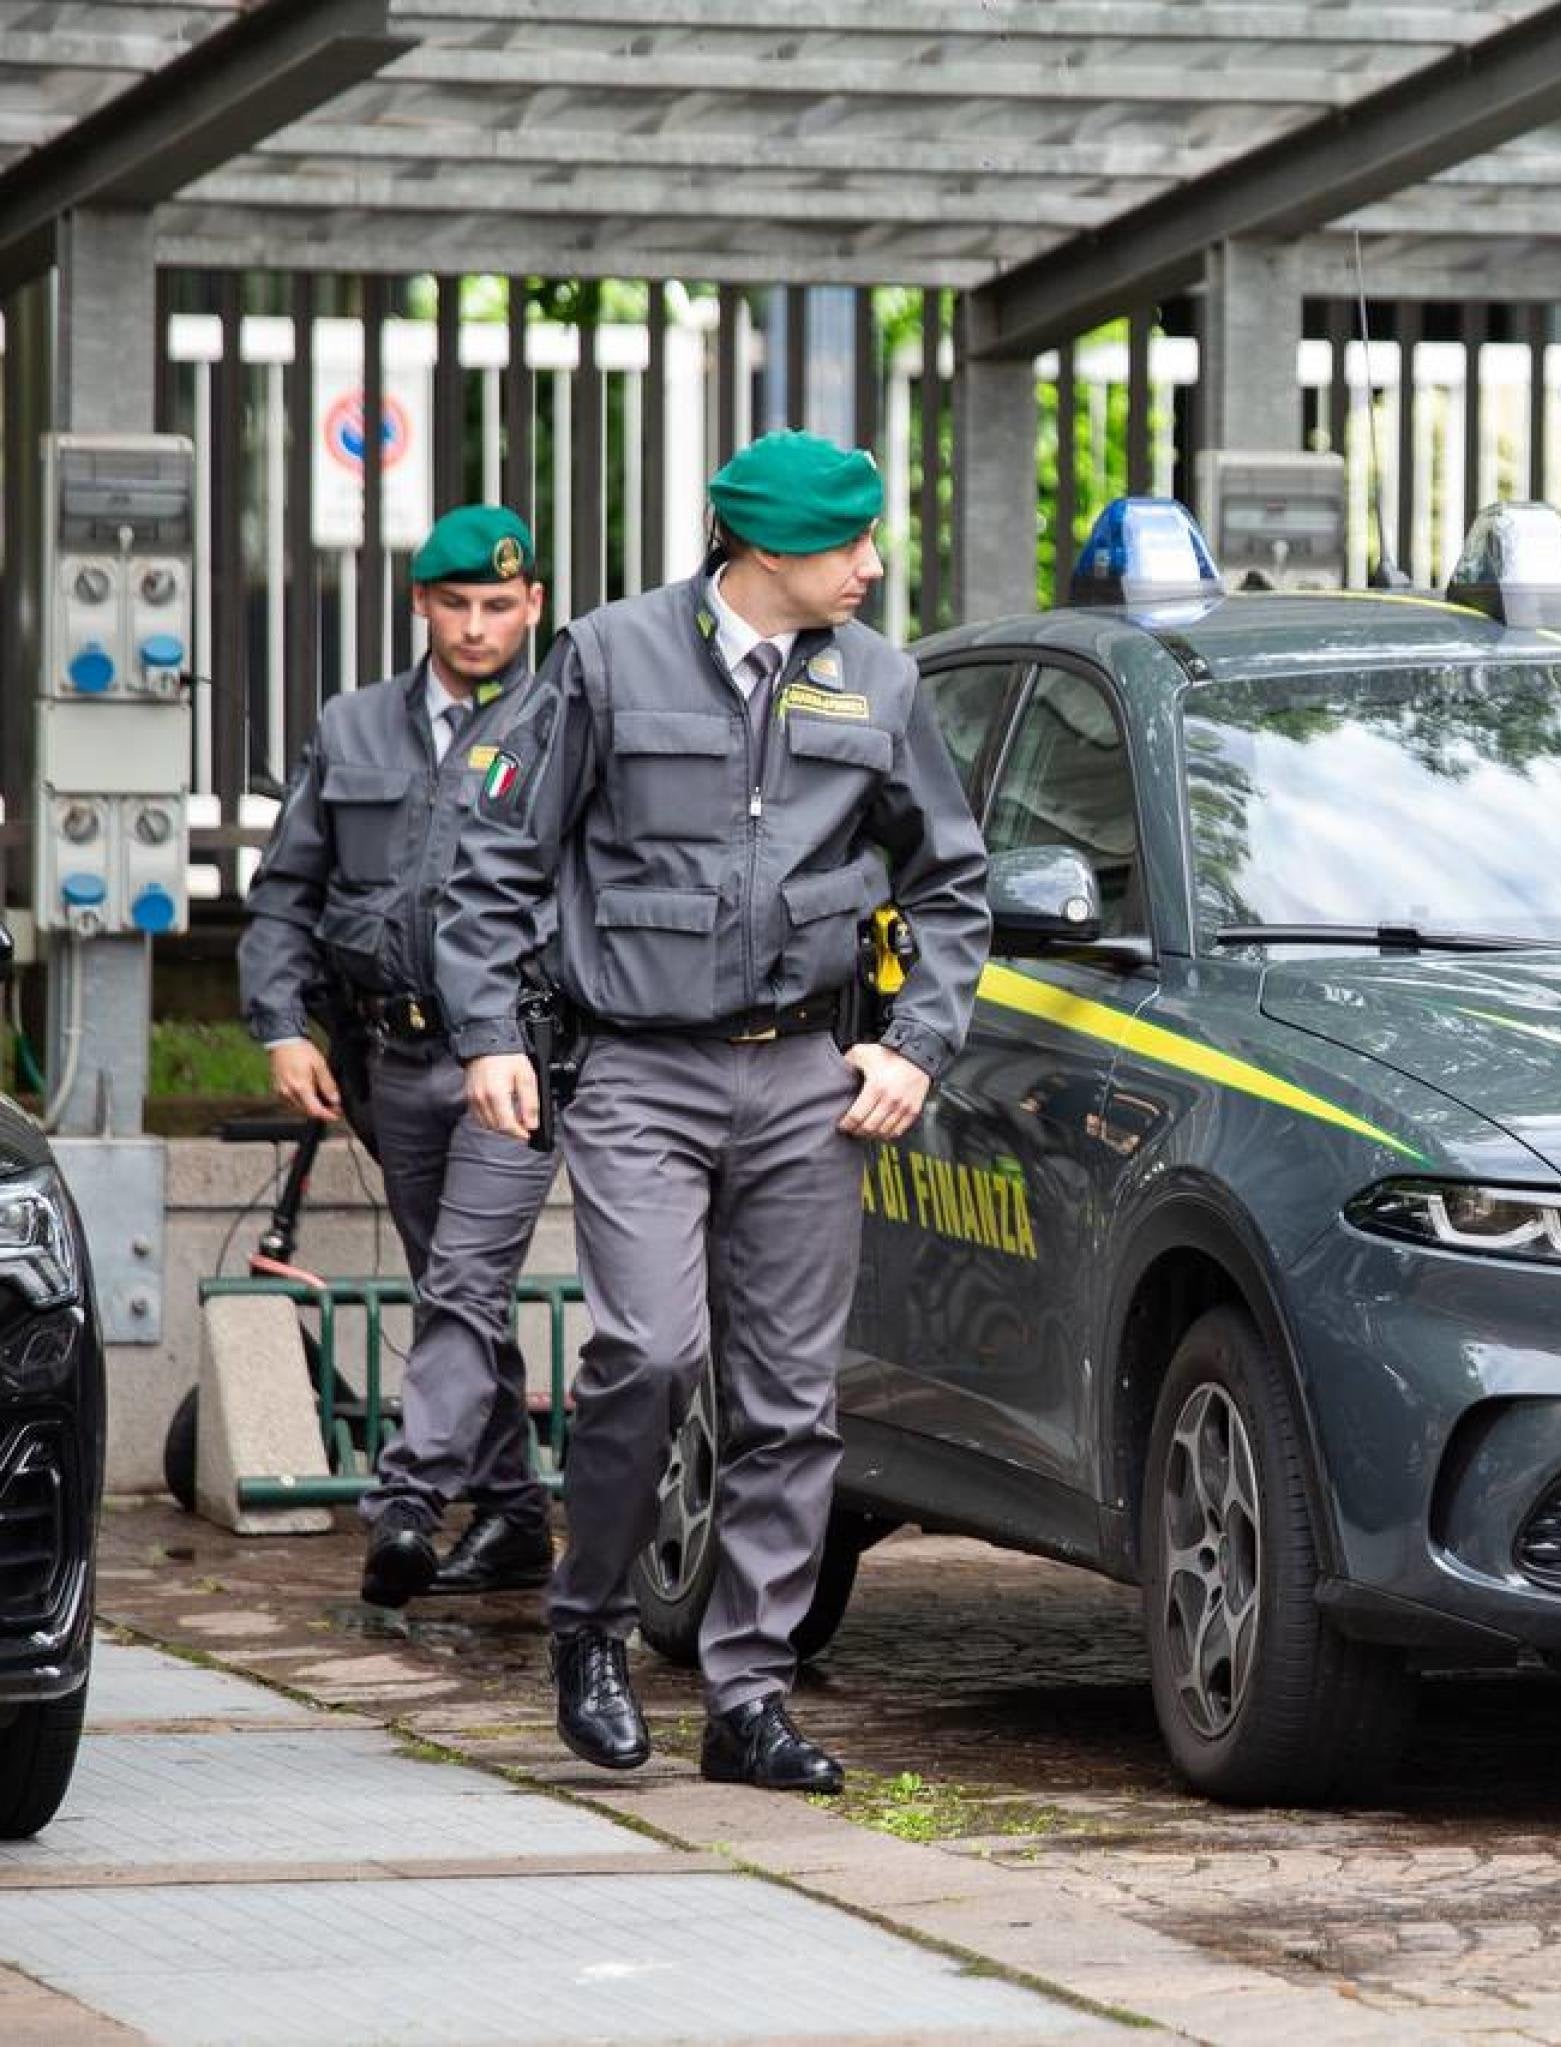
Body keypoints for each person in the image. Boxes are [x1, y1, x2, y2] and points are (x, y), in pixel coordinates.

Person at [440, 432, 988, 1793]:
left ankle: (749, 1693)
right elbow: (497, 862)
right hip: (638, 1070)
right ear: (762, 552)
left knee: (793, 1400)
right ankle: (592, 1627)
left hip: (807, 1078)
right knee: (647, 1351)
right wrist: (489, 1036)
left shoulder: (884, 679)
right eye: (846, 543)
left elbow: (951, 884)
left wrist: (913, 1040)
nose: (872, 564)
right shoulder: (611, 657)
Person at [239, 505, 560, 1607]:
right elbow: (288, 891)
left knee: (465, 1283)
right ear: (420, 605)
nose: (478, 628)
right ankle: (515, 1512)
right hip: (390, 1058)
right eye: (457, 604)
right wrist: (281, 1023)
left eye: (499, 606)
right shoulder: (354, 726)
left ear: (533, 607)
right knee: (454, 1291)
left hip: (517, 1060)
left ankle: (410, 1503)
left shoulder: (565, 726)